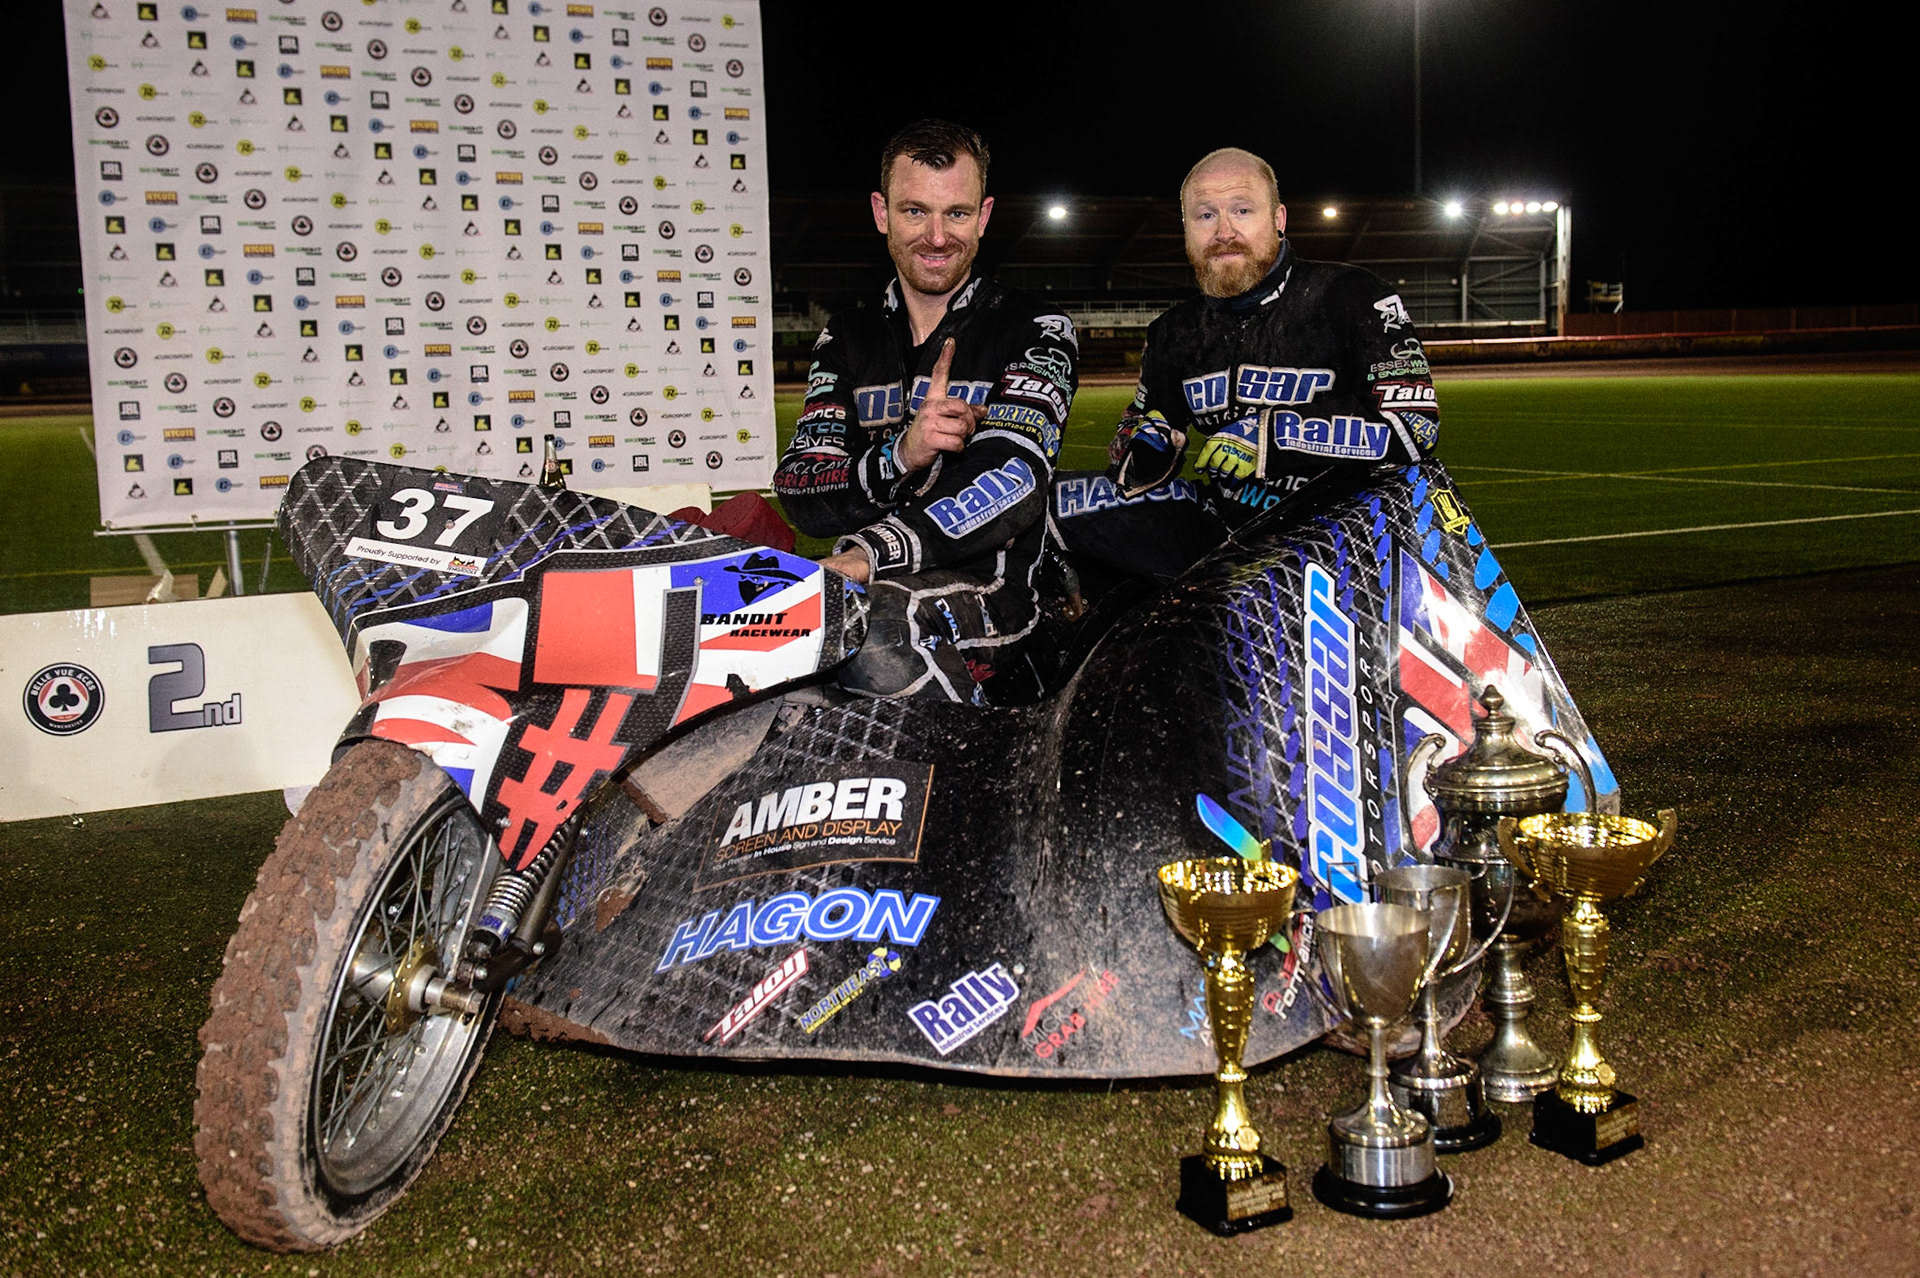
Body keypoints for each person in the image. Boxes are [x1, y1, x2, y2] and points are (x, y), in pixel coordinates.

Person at [773, 120, 1078, 704]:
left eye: (957, 214)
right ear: (881, 212)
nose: (937, 237)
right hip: (862, 576)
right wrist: (900, 456)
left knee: (878, 627)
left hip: (999, 592)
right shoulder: (846, 336)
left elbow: (1012, 483)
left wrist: (868, 555)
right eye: (915, 212)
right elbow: (802, 490)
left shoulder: (1037, 328)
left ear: (984, 216)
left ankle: (973, 783)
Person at [1055, 147, 1440, 579]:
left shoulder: (1352, 294)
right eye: (1205, 216)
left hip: (1345, 533)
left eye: (1242, 210)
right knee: (1047, 501)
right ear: (1186, 229)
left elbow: (1413, 425)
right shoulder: (1172, 331)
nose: (1223, 231)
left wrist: (1271, 436)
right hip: (1227, 527)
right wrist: (1144, 445)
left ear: (1278, 219)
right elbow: (1145, 423)